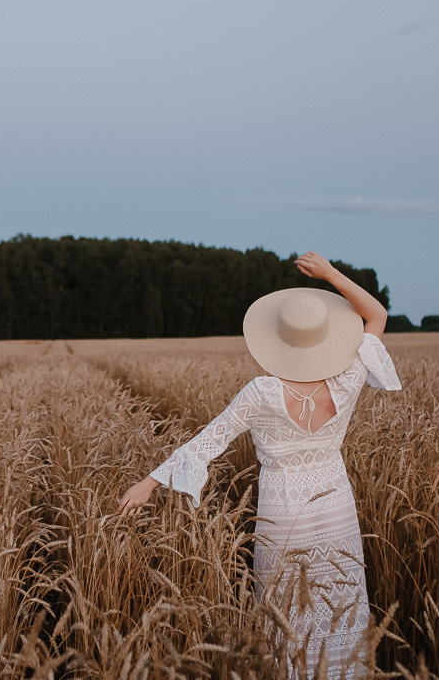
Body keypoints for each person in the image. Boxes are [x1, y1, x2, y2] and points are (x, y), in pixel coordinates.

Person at [116, 252, 401, 679]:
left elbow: (207, 441)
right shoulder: (350, 372)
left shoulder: (261, 392)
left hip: (283, 512)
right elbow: (376, 314)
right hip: (335, 503)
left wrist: (148, 484)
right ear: (327, 337)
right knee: (339, 604)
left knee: (286, 611)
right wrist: (329, 274)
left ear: (279, 341)